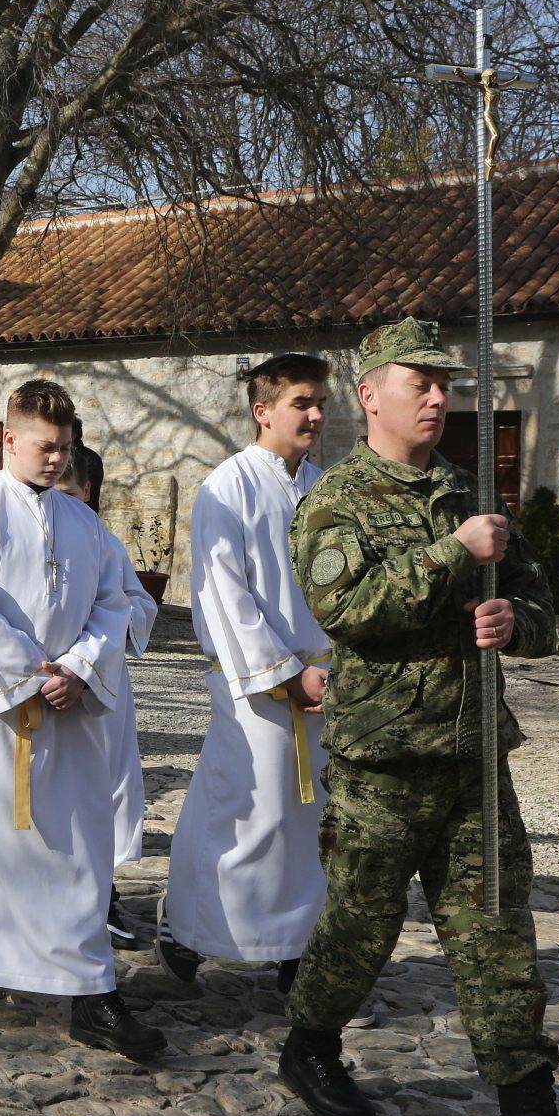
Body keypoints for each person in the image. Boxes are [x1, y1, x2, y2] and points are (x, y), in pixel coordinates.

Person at [279, 319, 559, 1116]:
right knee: (359, 926)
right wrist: (453, 556)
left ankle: (527, 1115)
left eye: (446, 383)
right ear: (372, 393)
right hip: (384, 762)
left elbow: (547, 609)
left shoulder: (470, 492)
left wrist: (514, 619)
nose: (441, 397)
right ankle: (309, 1041)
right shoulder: (336, 501)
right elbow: (351, 612)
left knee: (498, 937)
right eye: (423, 383)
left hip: (474, 758)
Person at [0, 379, 163, 1060]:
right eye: (46, 446)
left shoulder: (85, 524)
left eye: (66, 447)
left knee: (73, 848)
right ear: (11, 438)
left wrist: (80, 665)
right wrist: (30, 673)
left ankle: (90, 990)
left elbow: (122, 604)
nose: (57, 459)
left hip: (69, 712)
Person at [156, 354, 336, 992]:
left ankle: (298, 948)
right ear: (263, 410)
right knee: (243, 810)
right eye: (301, 403)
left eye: (320, 402)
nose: (315, 415)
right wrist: (284, 673)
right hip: (256, 683)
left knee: (310, 819)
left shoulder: (326, 486)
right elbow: (223, 592)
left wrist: (330, 669)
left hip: (322, 682)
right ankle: (188, 930)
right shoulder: (226, 487)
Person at [54, 458, 155, 952]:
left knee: (104, 787)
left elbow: (139, 606)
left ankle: (103, 895)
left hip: (98, 686)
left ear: (88, 492)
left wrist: (93, 639)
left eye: (70, 494)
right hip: (45, 685)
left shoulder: (104, 541)